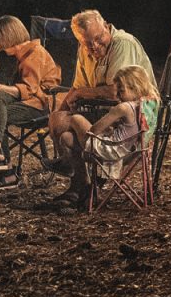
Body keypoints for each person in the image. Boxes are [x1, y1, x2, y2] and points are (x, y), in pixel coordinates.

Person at [45, 9, 154, 174]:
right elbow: (77, 86)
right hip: (102, 112)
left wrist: (80, 94)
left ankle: (79, 175)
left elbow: (115, 92)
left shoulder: (122, 43)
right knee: (57, 120)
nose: (94, 46)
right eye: (88, 43)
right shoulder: (84, 50)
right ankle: (77, 177)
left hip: (129, 120)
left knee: (72, 126)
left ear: (106, 26)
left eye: (98, 38)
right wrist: (61, 113)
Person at [0, 15, 62, 189]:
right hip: (29, 102)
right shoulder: (24, 55)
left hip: (41, 105)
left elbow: (29, 90)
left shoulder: (35, 54)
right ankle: (0, 159)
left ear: (8, 37)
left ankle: (4, 167)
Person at [55, 65, 160, 206]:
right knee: (66, 137)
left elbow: (94, 130)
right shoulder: (148, 104)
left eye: (121, 91)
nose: (117, 96)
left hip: (111, 153)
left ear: (135, 88)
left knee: (76, 119)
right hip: (132, 152)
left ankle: (66, 164)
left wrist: (101, 125)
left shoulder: (123, 108)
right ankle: (85, 186)